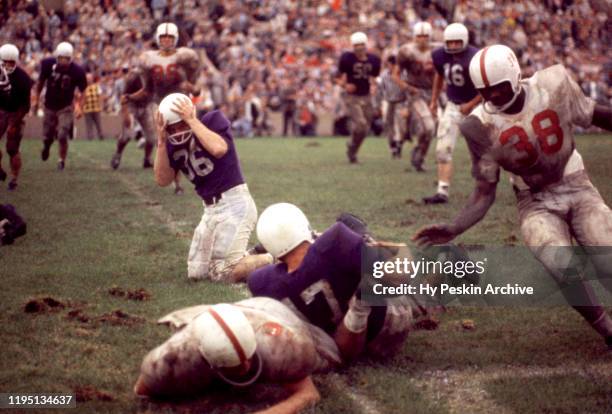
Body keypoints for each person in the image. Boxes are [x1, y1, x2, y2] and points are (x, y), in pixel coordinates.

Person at [413, 44, 612, 350]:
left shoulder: (552, 85)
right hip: (535, 201)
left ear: (516, 75)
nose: (492, 96)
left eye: (498, 88)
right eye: (485, 91)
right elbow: (484, 191)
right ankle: (607, 330)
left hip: (577, 183)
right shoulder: (478, 124)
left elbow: (595, 114)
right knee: (560, 264)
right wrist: (454, 227)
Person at [249, 203, 418, 361]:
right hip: (392, 323)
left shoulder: (262, 283)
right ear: (305, 228)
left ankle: (359, 306)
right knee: (359, 233)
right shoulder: (336, 240)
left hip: (345, 344)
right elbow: (401, 275)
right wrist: (402, 250)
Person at [134, 297, 340, 413]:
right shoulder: (177, 356)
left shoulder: (286, 346)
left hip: (274, 312)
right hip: (224, 312)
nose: (245, 368)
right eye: (234, 364)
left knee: (332, 357)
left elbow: (308, 393)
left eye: (247, 359)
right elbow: (142, 389)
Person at [154, 93, 272, 283]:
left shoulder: (211, 120)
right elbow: (162, 179)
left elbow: (219, 148)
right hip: (210, 211)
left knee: (223, 272)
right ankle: (257, 252)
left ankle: (278, 257)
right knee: (197, 273)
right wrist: (160, 142)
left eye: (181, 124)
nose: (178, 132)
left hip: (235, 204)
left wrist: (191, 121)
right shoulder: (170, 144)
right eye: (172, 128)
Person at [129, 22, 202, 194]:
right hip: (158, 102)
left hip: (179, 102)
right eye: (164, 37)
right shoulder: (148, 58)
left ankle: (181, 180)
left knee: (185, 142)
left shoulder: (186, 56)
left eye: (170, 37)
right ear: (158, 38)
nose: (167, 40)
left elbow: (196, 87)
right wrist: (133, 97)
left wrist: (192, 88)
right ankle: (171, 179)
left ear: (175, 39)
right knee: (163, 141)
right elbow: (146, 88)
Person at [423, 23, 481, 203]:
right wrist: (433, 100)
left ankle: (489, 187)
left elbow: (487, 86)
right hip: (453, 106)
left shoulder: (476, 57)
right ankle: (442, 191)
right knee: (442, 149)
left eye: (458, 42)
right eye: (451, 42)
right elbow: (439, 76)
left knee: (483, 151)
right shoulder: (440, 55)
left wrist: (471, 103)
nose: (454, 46)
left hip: (479, 108)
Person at [394, 21, 440, 171]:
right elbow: (395, 75)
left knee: (431, 128)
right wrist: (408, 88)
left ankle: (419, 156)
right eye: (419, 35)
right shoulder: (406, 51)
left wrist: (438, 93)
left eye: (425, 35)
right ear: (414, 36)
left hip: (433, 92)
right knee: (428, 127)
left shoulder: (438, 50)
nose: (422, 39)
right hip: (416, 92)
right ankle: (416, 151)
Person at [33, 41, 87, 171]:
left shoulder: (78, 71)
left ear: (71, 58)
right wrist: (35, 99)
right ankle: (47, 146)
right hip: (49, 105)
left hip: (66, 106)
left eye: (66, 59)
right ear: (56, 57)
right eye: (61, 58)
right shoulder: (47, 64)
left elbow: (83, 91)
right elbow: (40, 82)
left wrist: (80, 107)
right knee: (47, 136)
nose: (63, 62)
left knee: (62, 134)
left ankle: (61, 160)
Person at [337, 32, 381, 164]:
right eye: (356, 45)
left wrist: (374, 86)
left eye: (361, 44)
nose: (359, 47)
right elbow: (336, 77)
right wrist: (345, 85)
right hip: (352, 97)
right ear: (352, 46)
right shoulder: (347, 58)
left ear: (366, 44)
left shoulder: (374, 59)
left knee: (365, 128)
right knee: (361, 124)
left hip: (366, 95)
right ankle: (352, 148)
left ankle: (353, 149)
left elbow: (374, 77)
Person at [0, 43, 33, 191]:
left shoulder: (23, 78)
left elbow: (26, 106)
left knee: (12, 148)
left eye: (11, 62)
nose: (8, 65)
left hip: (16, 112)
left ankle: (14, 178)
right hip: (1, 110)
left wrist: (15, 123)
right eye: (5, 61)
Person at [110, 70, 156, 169]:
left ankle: (147, 159)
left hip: (146, 105)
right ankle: (118, 154)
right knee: (127, 134)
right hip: (131, 104)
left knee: (152, 136)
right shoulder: (134, 77)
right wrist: (125, 112)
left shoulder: (157, 75)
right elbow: (124, 97)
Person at [379, 55, 408, 159]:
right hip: (388, 101)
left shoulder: (404, 74)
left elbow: (407, 90)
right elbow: (381, 89)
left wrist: (407, 105)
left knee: (402, 126)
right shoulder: (384, 75)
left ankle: (399, 145)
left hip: (401, 101)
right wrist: (380, 103)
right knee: (388, 124)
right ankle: (392, 146)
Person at [82, 73, 104, 141]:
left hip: (96, 108)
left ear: (92, 79)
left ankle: (101, 136)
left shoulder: (97, 86)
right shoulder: (83, 87)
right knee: (89, 125)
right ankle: (90, 138)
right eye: (87, 78)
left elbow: (100, 96)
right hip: (87, 109)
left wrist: (101, 105)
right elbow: (82, 98)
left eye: (89, 78)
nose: (88, 80)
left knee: (98, 124)